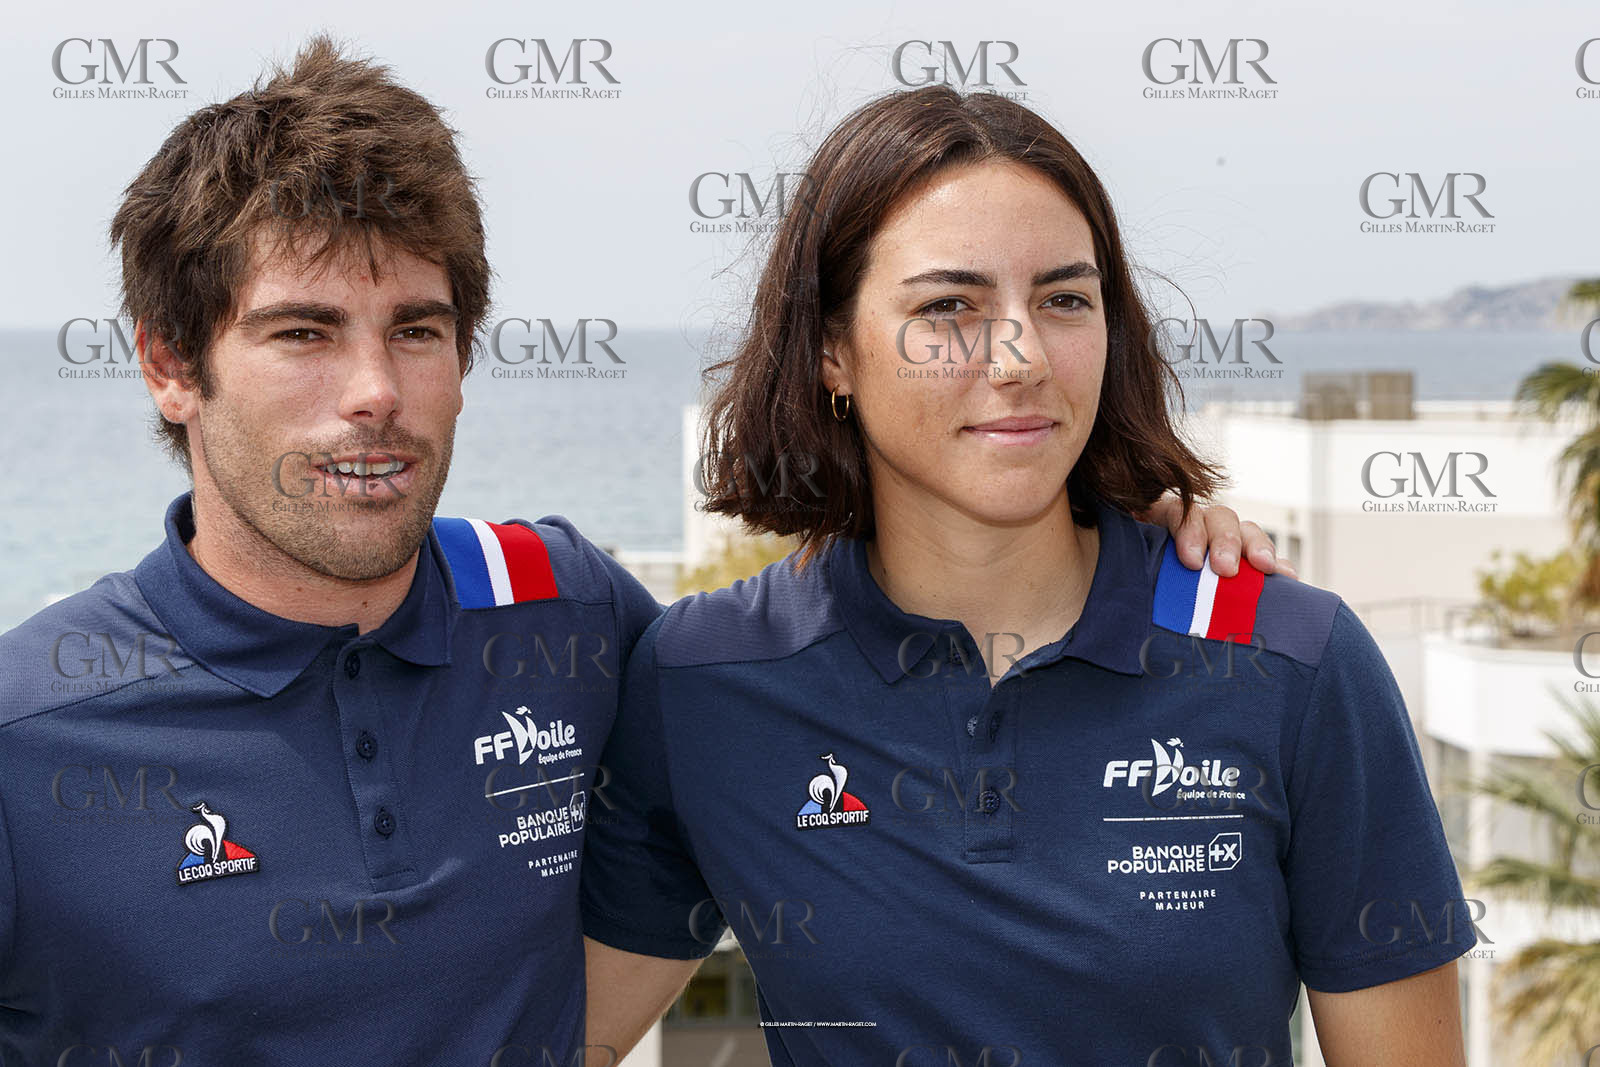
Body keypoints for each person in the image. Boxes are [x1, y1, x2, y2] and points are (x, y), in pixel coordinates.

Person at [0, 39, 1275, 1066]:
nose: (375, 391)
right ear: (170, 364)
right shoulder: (32, 729)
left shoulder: (568, 616)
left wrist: (1128, 534)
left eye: (421, 329)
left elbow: (822, 659)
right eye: (303, 334)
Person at [580, 87, 1474, 1066]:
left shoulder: (1291, 656)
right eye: (948, 306)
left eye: (1063, 300)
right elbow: (542, 1032)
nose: (1020, 357)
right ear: (833, 350)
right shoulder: (703, 679)